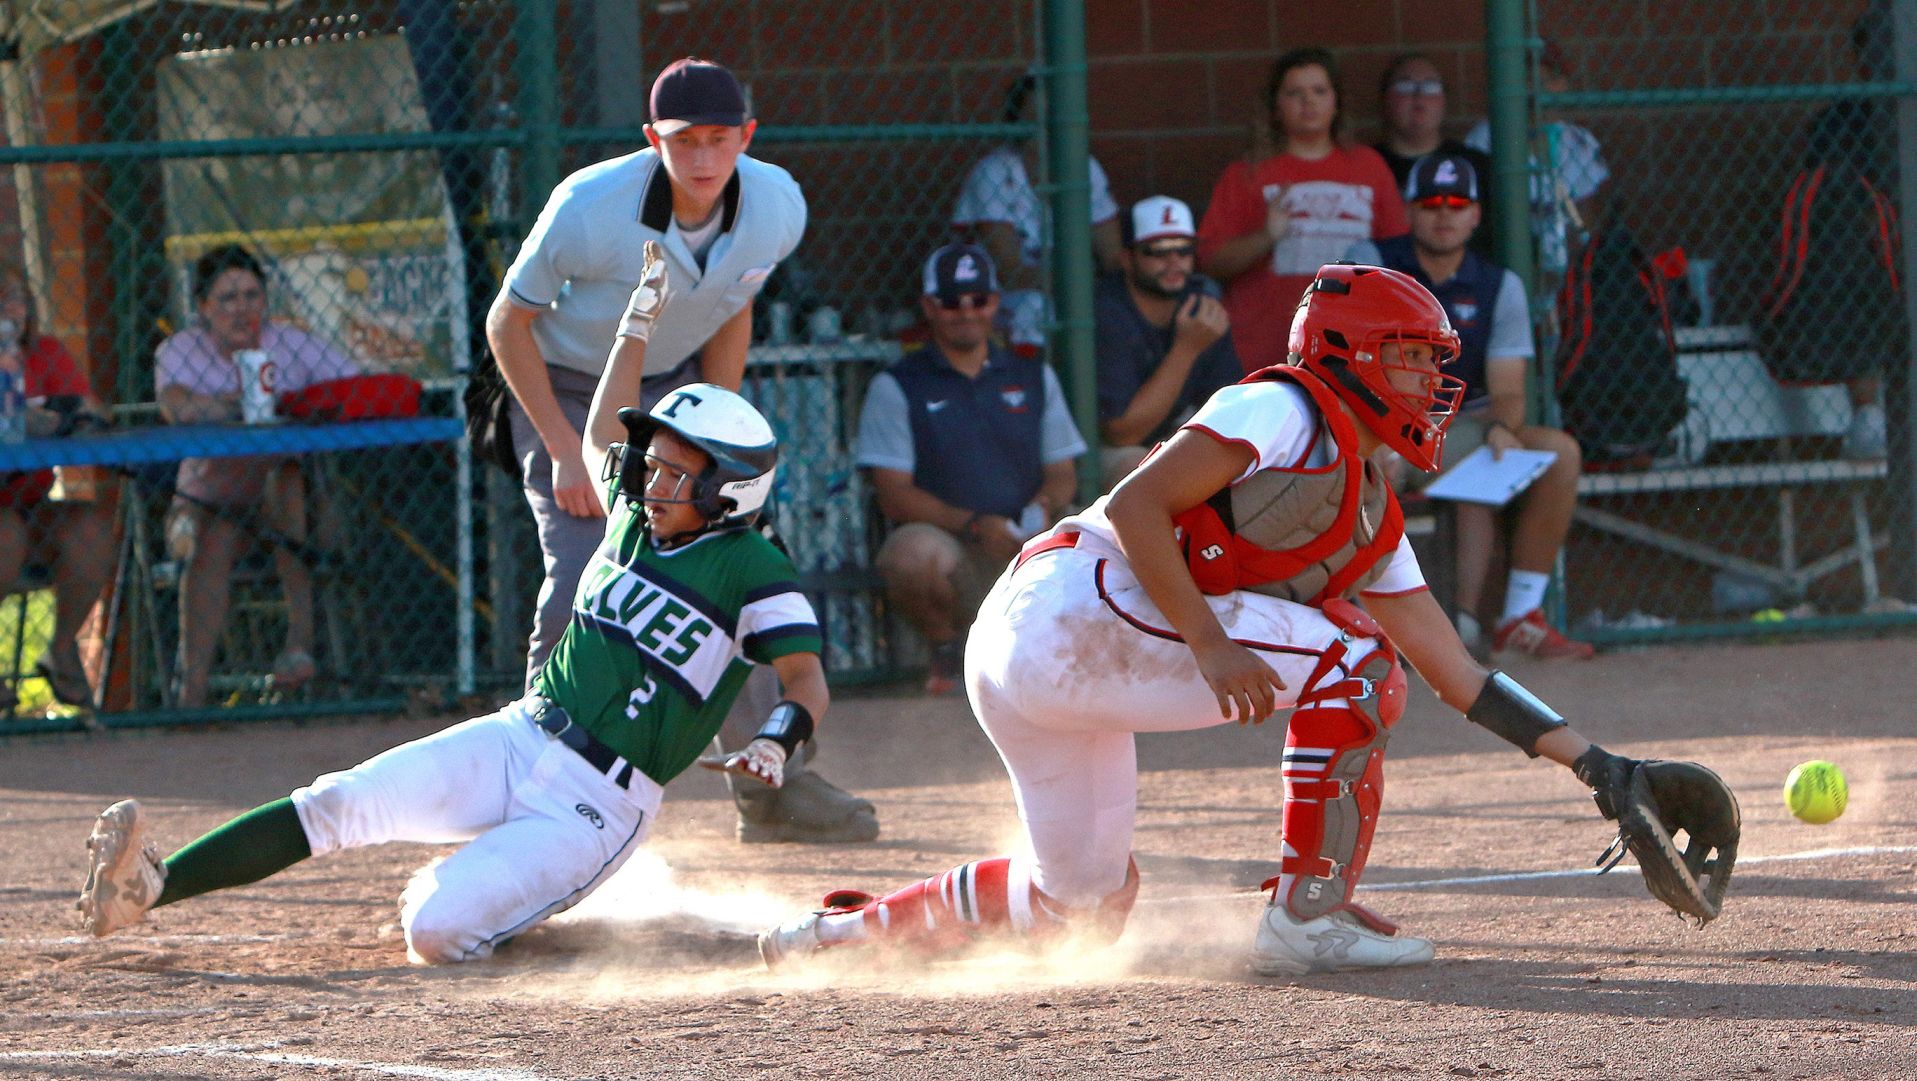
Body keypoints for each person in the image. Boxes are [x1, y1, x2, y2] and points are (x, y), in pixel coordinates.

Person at [758, 264, 1737, 976]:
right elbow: (1140, 503)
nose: (1426, 381)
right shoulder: (1283, 406)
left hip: (1049, 648)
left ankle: (839, 936)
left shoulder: (1369, 509)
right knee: (1353, 663)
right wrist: (1214, 642)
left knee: (1084, 908)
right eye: (1406, 358)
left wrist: (1597, 764)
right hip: (1072, 610)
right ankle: (1305, 914)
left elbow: (1453, 667)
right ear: (1348, 354)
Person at [76, 382, 837, 963]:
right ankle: (154, 885)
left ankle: (561, 920)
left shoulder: (752, 567)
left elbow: (806, 680)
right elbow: (607, 424)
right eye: (654, 462)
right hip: (521, 734)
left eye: (676, 471)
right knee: (337, 801)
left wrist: (775, 739)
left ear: (728, 489)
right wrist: (636, 323)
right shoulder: (635, 518)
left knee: (435, 930)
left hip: (597, 804)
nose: (649, 479)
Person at [488, 57, 874, 843]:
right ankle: (530, 790)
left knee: (722, 565)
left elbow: (733, 304)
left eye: (720, 140)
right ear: (650, 139)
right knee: (588, 557)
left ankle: (771, 787)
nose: (702, 160)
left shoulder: (776, 206)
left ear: (747, 137)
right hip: (562, 385)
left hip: (673, 394)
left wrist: (719, 428)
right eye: (682, 140)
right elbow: (506, 324)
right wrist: (566, 450)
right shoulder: (589, 207)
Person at [1352, 154, 1593, 659]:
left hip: (1456, 427)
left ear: (1477, 215)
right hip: (1375, 423)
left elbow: (1508, 390)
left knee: (1556, 454)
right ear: (1410, 211)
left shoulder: (1499, 285)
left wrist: (1505, 426)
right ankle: (1354, 627)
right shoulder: (1370, 261)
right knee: (1362, 469)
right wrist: (1381, 433)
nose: (1444, 214)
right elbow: (1345, 365)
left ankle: (1514, 618)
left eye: (1458, 204)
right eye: (1432, 203)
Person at [854, 243, 1086, 695]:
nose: (965, 312)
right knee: (909, 555)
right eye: (950, 302)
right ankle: (949, 651)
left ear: (995, 303)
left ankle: (1069, 659)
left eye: (978, 300)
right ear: (929, 307)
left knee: (1091, 536)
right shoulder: (897, 384)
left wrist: (1043, 510)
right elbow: (893, 494)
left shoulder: (1035, 376)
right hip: (956, 547)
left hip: (1027, 542)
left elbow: (1063, 471)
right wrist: (977, 525)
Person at [156, 245, 359, 708]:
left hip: (281, 498)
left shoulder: (287, 341)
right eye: (227, 299)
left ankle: (298, 645)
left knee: (286, 478)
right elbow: (176, 404)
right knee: (214, 537)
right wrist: (234, 404)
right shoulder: (181, 349)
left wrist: (300, 405)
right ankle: (192, 690)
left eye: (251, 295)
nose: (242, 309)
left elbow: (352, 381)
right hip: (213, 493)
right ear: (203, 306)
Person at [1197, 46, 1407, 372]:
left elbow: (1401, 260)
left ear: (1336, 101)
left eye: (1319, 91)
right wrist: (1266, 237)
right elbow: (1210, 261)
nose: (1308, 101)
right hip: (1263, 351)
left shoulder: (1370, 168)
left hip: (1354, 353)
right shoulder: (1248, 174)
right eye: (1295, 93)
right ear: (1276, 106)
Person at [0, 262, 114, 711]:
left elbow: (92, 411)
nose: (9, 310)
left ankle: (63, 648)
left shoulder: (44, 353)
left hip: (30, 501)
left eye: (14, 298)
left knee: (90, 524)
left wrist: (63, 416)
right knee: (5, 532)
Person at [952, 73, 1124, 352]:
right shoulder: (994, 172)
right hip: (996, 298)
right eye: (1034, 118)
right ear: (1016, 122)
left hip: (1070, 288)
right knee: (1035, 307)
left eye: (1053, 117)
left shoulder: (1085, 167)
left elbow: (1113, 258)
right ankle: (1030, 387)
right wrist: (1078, 282)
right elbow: (1010, 272)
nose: (1045, 127)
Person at [1094, 196, 1241, 490]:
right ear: (1127, 258)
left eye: (1183, 250)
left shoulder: (1201, 306)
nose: (1173, 261)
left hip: (1174, 440)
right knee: (1143, 471)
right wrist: (1186, 349)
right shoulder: (1106, 312)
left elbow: (1231, 409)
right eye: (1157, 251)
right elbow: (1122, 434)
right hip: (1102, 452)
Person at [1464, 40, 1608, 277]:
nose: (1539, 88)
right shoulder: (1485, 138)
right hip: (1505, 266)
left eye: (1549, 78)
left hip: (1570, 266)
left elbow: (1585, 222)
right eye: (1529, 78)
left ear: (1565, 84)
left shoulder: (1579, 141)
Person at [1371, 52, 1494, 259]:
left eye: (1430, 87)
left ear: (1445, 99)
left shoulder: (1474, 165)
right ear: (1385, 98)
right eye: (1405, 87)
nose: (1418, 98)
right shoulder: (1370, 164)